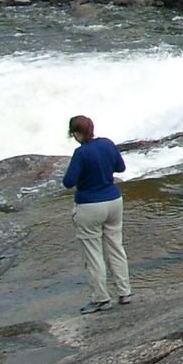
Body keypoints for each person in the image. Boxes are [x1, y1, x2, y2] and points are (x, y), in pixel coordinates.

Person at [62, 114, 132, 313]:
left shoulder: (81, 153)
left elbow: (68, 182)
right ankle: (125, 292)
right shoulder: (107, 144)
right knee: (116, 247)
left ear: (76, 133)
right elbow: (121, 167)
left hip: (90, 205)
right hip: (114, 201)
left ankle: (101, 299)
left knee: (94, 254)